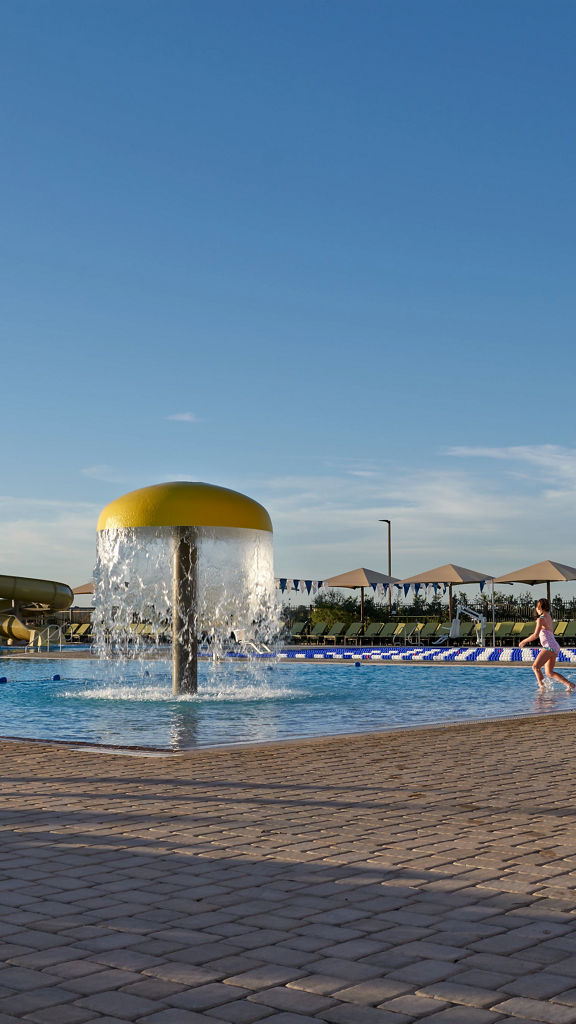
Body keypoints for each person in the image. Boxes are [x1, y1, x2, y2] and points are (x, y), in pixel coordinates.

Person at [519, 598, 575, 690]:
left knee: (535, 667)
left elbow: (535, 635)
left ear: (539, 607)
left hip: (549, 646)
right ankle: (570, 684)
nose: (536, 609)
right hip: (555, 646)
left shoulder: (540, 619)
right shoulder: (548, 616)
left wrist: (523, 641)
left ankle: (542, 688)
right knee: (549, 672)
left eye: (537, 606)